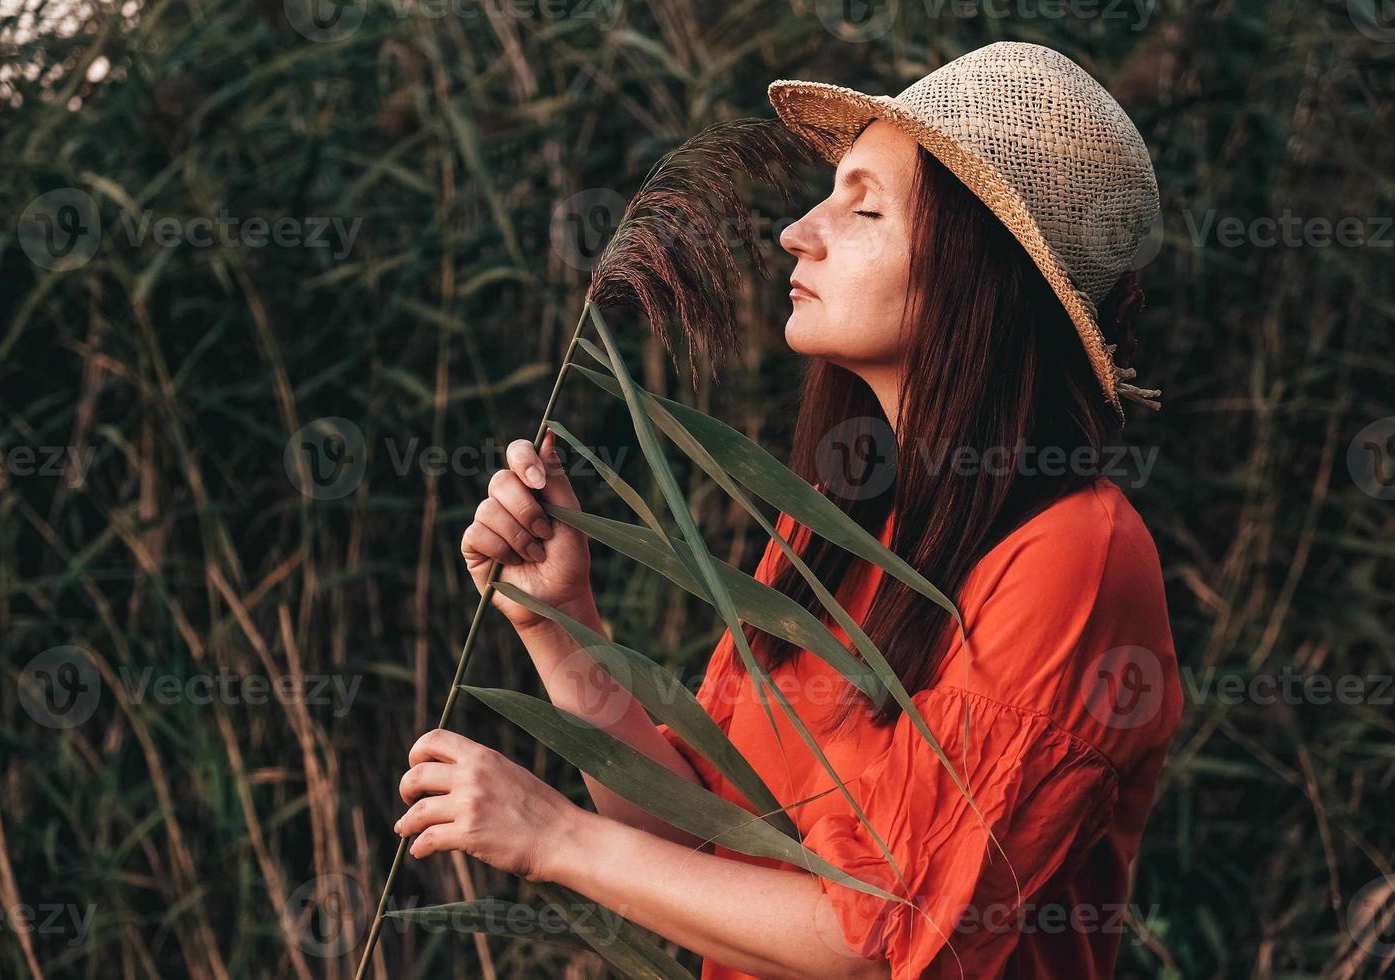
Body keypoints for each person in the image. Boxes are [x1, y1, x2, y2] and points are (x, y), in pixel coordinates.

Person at [392, 42, 1183, 978]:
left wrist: (555, 838)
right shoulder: (839, 529)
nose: (799, 232)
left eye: (865, 208)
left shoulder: (1072, 554)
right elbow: (702, 849)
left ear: (984, 271)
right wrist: (562, 624)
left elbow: (877, 941)